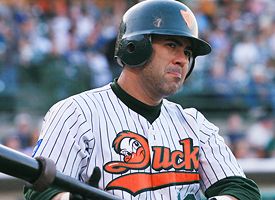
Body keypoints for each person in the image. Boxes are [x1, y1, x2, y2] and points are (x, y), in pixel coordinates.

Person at [24, 0, 261, 199]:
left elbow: (240, 188)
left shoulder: (194, 124)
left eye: (188, 52)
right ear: (134, 47)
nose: (182, 59)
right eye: (172, 45)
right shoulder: (76, 113)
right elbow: (42, 189)